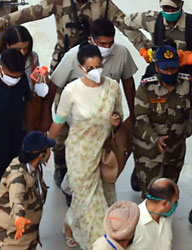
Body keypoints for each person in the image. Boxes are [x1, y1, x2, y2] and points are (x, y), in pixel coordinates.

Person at [50, 18, 137, 204]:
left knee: (102, 161)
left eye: (110, 42)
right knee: (82, 165)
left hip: (104, 124)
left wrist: (132, 114)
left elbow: (128, 83)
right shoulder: (74, 57)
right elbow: (54, 86)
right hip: (79, 121)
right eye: (102, 43)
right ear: (91, 40)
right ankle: (71, 189)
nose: (108, 47)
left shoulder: (120, 56)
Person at [49, 44, 123, 250]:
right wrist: (47, 144)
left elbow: (119, 115)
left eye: (99, 65)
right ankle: (99, 244)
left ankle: (69, 224)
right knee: (93, 205)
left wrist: (116, 122)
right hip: (79, 154)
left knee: (104, 198)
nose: (96, 71)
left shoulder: (112, 88)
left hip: (104, 152)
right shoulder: (71, 91)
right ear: (81, 68)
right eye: (90, 68)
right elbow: (59, 120)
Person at [0, 0, 127, 73]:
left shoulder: (103, 3)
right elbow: (31, 12)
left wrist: (143, 47)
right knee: (60, 101)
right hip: (64, 58)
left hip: (93, 62)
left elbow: (125, 24)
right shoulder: (58, 1)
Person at [133, 45, 191, 198]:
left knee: (169, 193)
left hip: (175, 150)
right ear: (157, 67)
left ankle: (166, 220)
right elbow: (141, 119)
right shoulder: (146, 87)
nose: (170, 73)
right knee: (151, 194)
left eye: (173, 68)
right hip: (149, 151)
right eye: (166, 69)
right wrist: (155, 139)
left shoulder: (187, 84)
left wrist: (186, 131)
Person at [0, 131, 56, 250]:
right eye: (48, 149)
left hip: (26, 238)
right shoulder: (18, 176)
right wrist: (19, 218)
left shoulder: (35, 168)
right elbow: (17, 198)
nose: (50, 153)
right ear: (41, 155)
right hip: (10, 241)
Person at [0, 48, 33, 209]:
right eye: (11, 76)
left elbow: (28, 107)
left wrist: (30, 136)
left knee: (16, 187)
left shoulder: (21, 80)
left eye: (18, 76)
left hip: (15, 143)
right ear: (0, 68)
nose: (14, 80)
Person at [126, 178, 179, 250]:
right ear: (165, 203)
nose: (176, 205)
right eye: (175, 201)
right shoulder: (130, 224)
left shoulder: (166, 216)